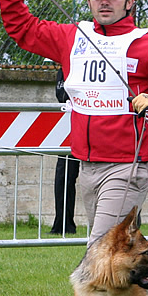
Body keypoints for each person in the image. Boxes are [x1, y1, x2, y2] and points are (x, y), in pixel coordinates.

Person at [0, 0, 148, 245]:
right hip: (86, 165)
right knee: (121, 251)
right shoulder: (72, 37)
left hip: (127, 166)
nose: (105, 2)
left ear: (129, 1)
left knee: (101, 248)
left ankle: (85, 291)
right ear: (89, 1)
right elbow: (23, 29)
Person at [50, 68, 79, 235]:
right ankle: (63, 224)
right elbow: (61, 96)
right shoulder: (63, 70)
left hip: (95, 125)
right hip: (68, 128)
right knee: (63, 176)